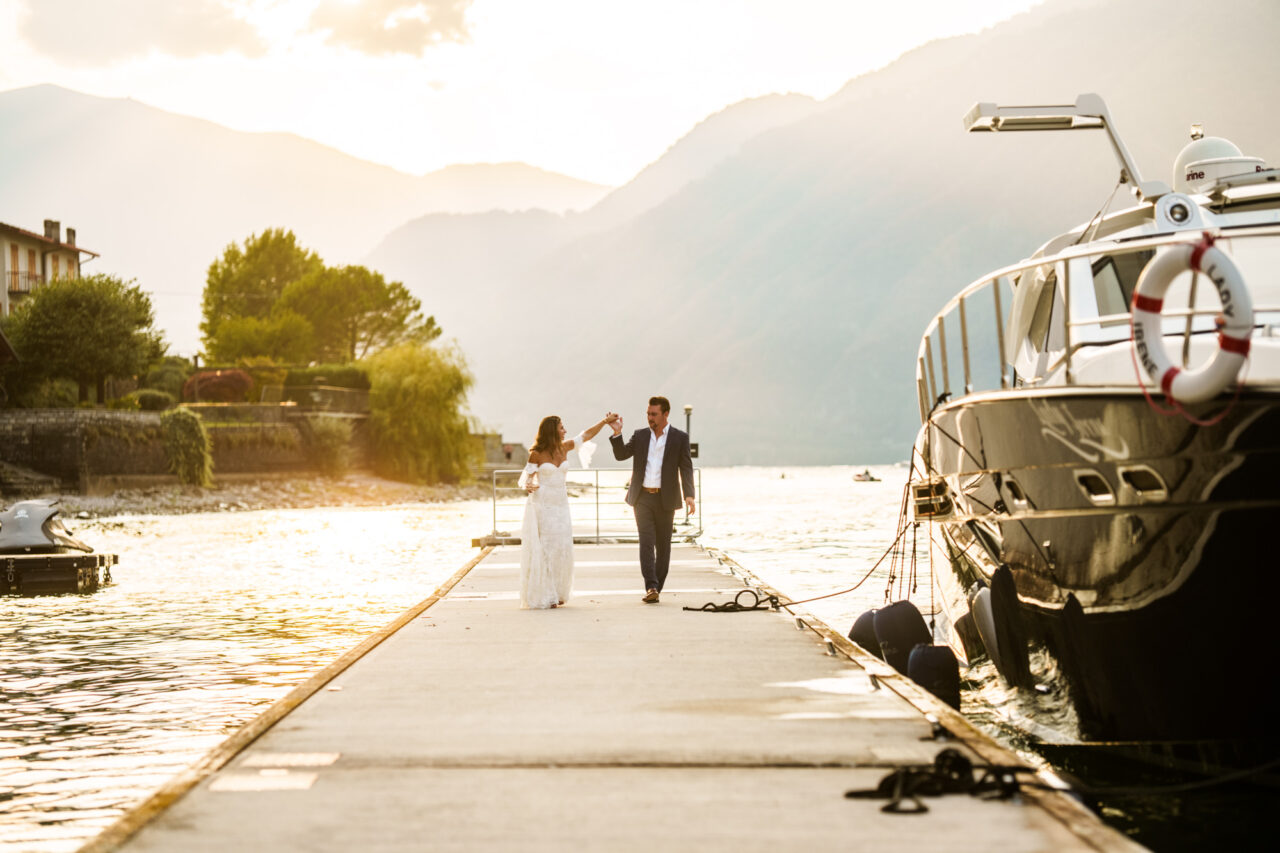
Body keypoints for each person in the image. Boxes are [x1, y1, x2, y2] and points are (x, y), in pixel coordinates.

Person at [519, 413, 614, 609]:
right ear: (552, 431)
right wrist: (529, 484)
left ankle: (558, 591)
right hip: (543, 505)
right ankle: (546, 592)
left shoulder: (565, 447)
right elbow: (528, 477)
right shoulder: (536, 453)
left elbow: (586, 435)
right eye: (562, 427)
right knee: (545, 547)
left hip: (561, 505)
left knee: (561, 547)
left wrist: (604, 422)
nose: (565, 431)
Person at [609, 396, 696, 603]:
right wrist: (617, 433)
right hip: (642, 498)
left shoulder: (679, 438)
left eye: (654, 414)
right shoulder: (640, 436)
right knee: (646, 542)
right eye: (648, 414)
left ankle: (657, 586)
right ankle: (651, 586)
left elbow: (686, 467)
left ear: (666, 414)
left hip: (666, 499)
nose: (650, 418)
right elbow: (621, 455)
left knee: (663, 546)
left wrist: (690, 495)